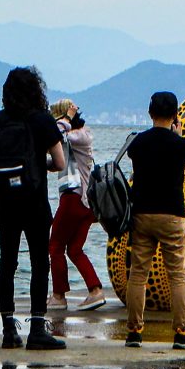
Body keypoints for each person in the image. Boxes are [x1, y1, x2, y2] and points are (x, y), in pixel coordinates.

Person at [0, 67, 69, 349]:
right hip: (35, 201)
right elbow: (61, 163)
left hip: (5, 203)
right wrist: (39, 165)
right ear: (36, 91)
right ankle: (37, 329)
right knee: (40, 262)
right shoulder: (42, 121)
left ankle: (8, 329)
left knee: (8, 262)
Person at [120, 90, 185, 349]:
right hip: (173, 215)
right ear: (176, 115)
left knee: (137, 275)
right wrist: (178, 136)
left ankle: (134, 332)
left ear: (150, 112)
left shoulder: (138, 143)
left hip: (141, 213)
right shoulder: (183, 145)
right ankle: (181, 332)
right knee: (177, 275)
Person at [47, 99, 108, 317]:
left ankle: (58, 296)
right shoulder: (73, 138)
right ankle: (95, 290)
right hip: (85, 204)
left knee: (55, 246)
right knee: (74, 249)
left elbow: (54, 133)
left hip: (74, 198)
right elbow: (58, 161)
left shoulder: (79, 135)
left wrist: (66, 118)